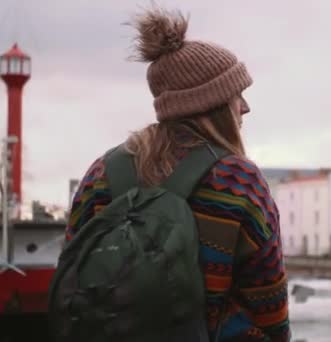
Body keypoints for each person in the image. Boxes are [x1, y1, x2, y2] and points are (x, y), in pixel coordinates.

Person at [64, 6, 290, 342]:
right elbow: (269, 307)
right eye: (236, 95)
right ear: (211, 103)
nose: (245, 106)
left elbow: (72, 270)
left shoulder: (102, 173)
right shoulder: (239, 181)